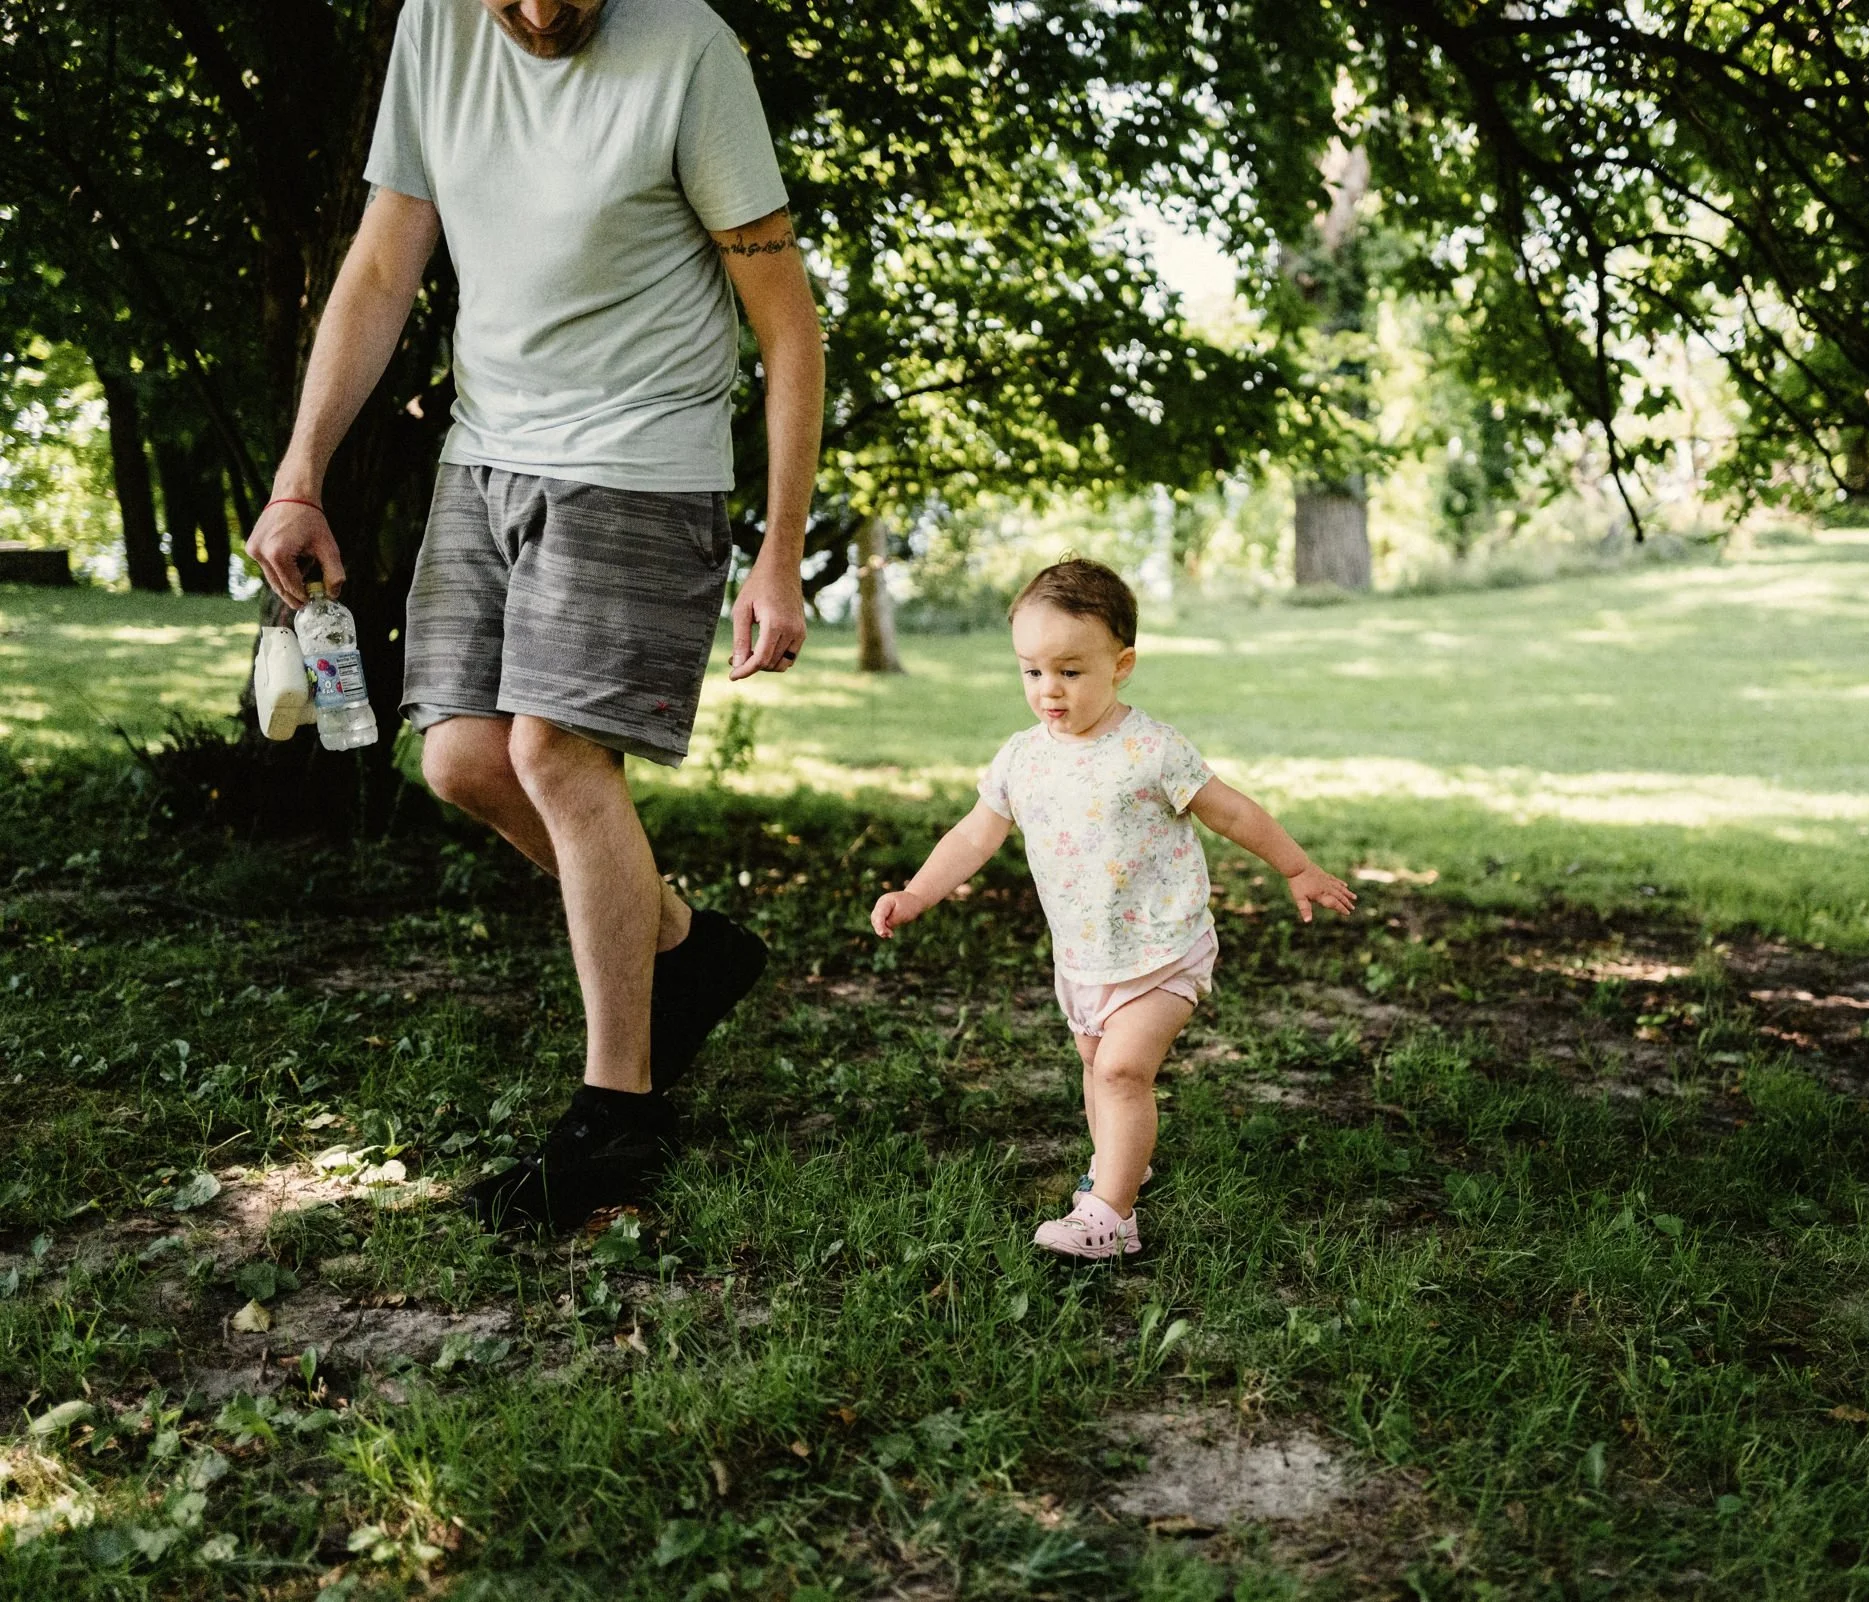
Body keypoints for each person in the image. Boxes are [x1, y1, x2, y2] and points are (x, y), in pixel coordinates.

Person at [243, 0, 825, 1229]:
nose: (544, 12)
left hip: (642, 456)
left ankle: (622, 1112)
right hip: (486, 453)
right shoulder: (433, 31)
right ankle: (683, 947)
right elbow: (384, 261)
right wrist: (302, 474)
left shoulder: (689, 53)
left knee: (555, 753)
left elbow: (786, 320)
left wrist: (778, 550)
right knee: (458, 759)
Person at [869, 559, 1356, 1260]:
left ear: (1120, 664)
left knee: (1124, 1071)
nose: (1049, 690)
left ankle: (1111, 1214)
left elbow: (1231, 812)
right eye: (1031, 671)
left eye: (1070, 670)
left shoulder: (1150, 750)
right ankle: (1118, 1160)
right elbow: (975, 834)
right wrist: (917, 892)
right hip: (1085, 956)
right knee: (1097, 1069)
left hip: (1163, 947)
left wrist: (1298, 866)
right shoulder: (1021, 758)